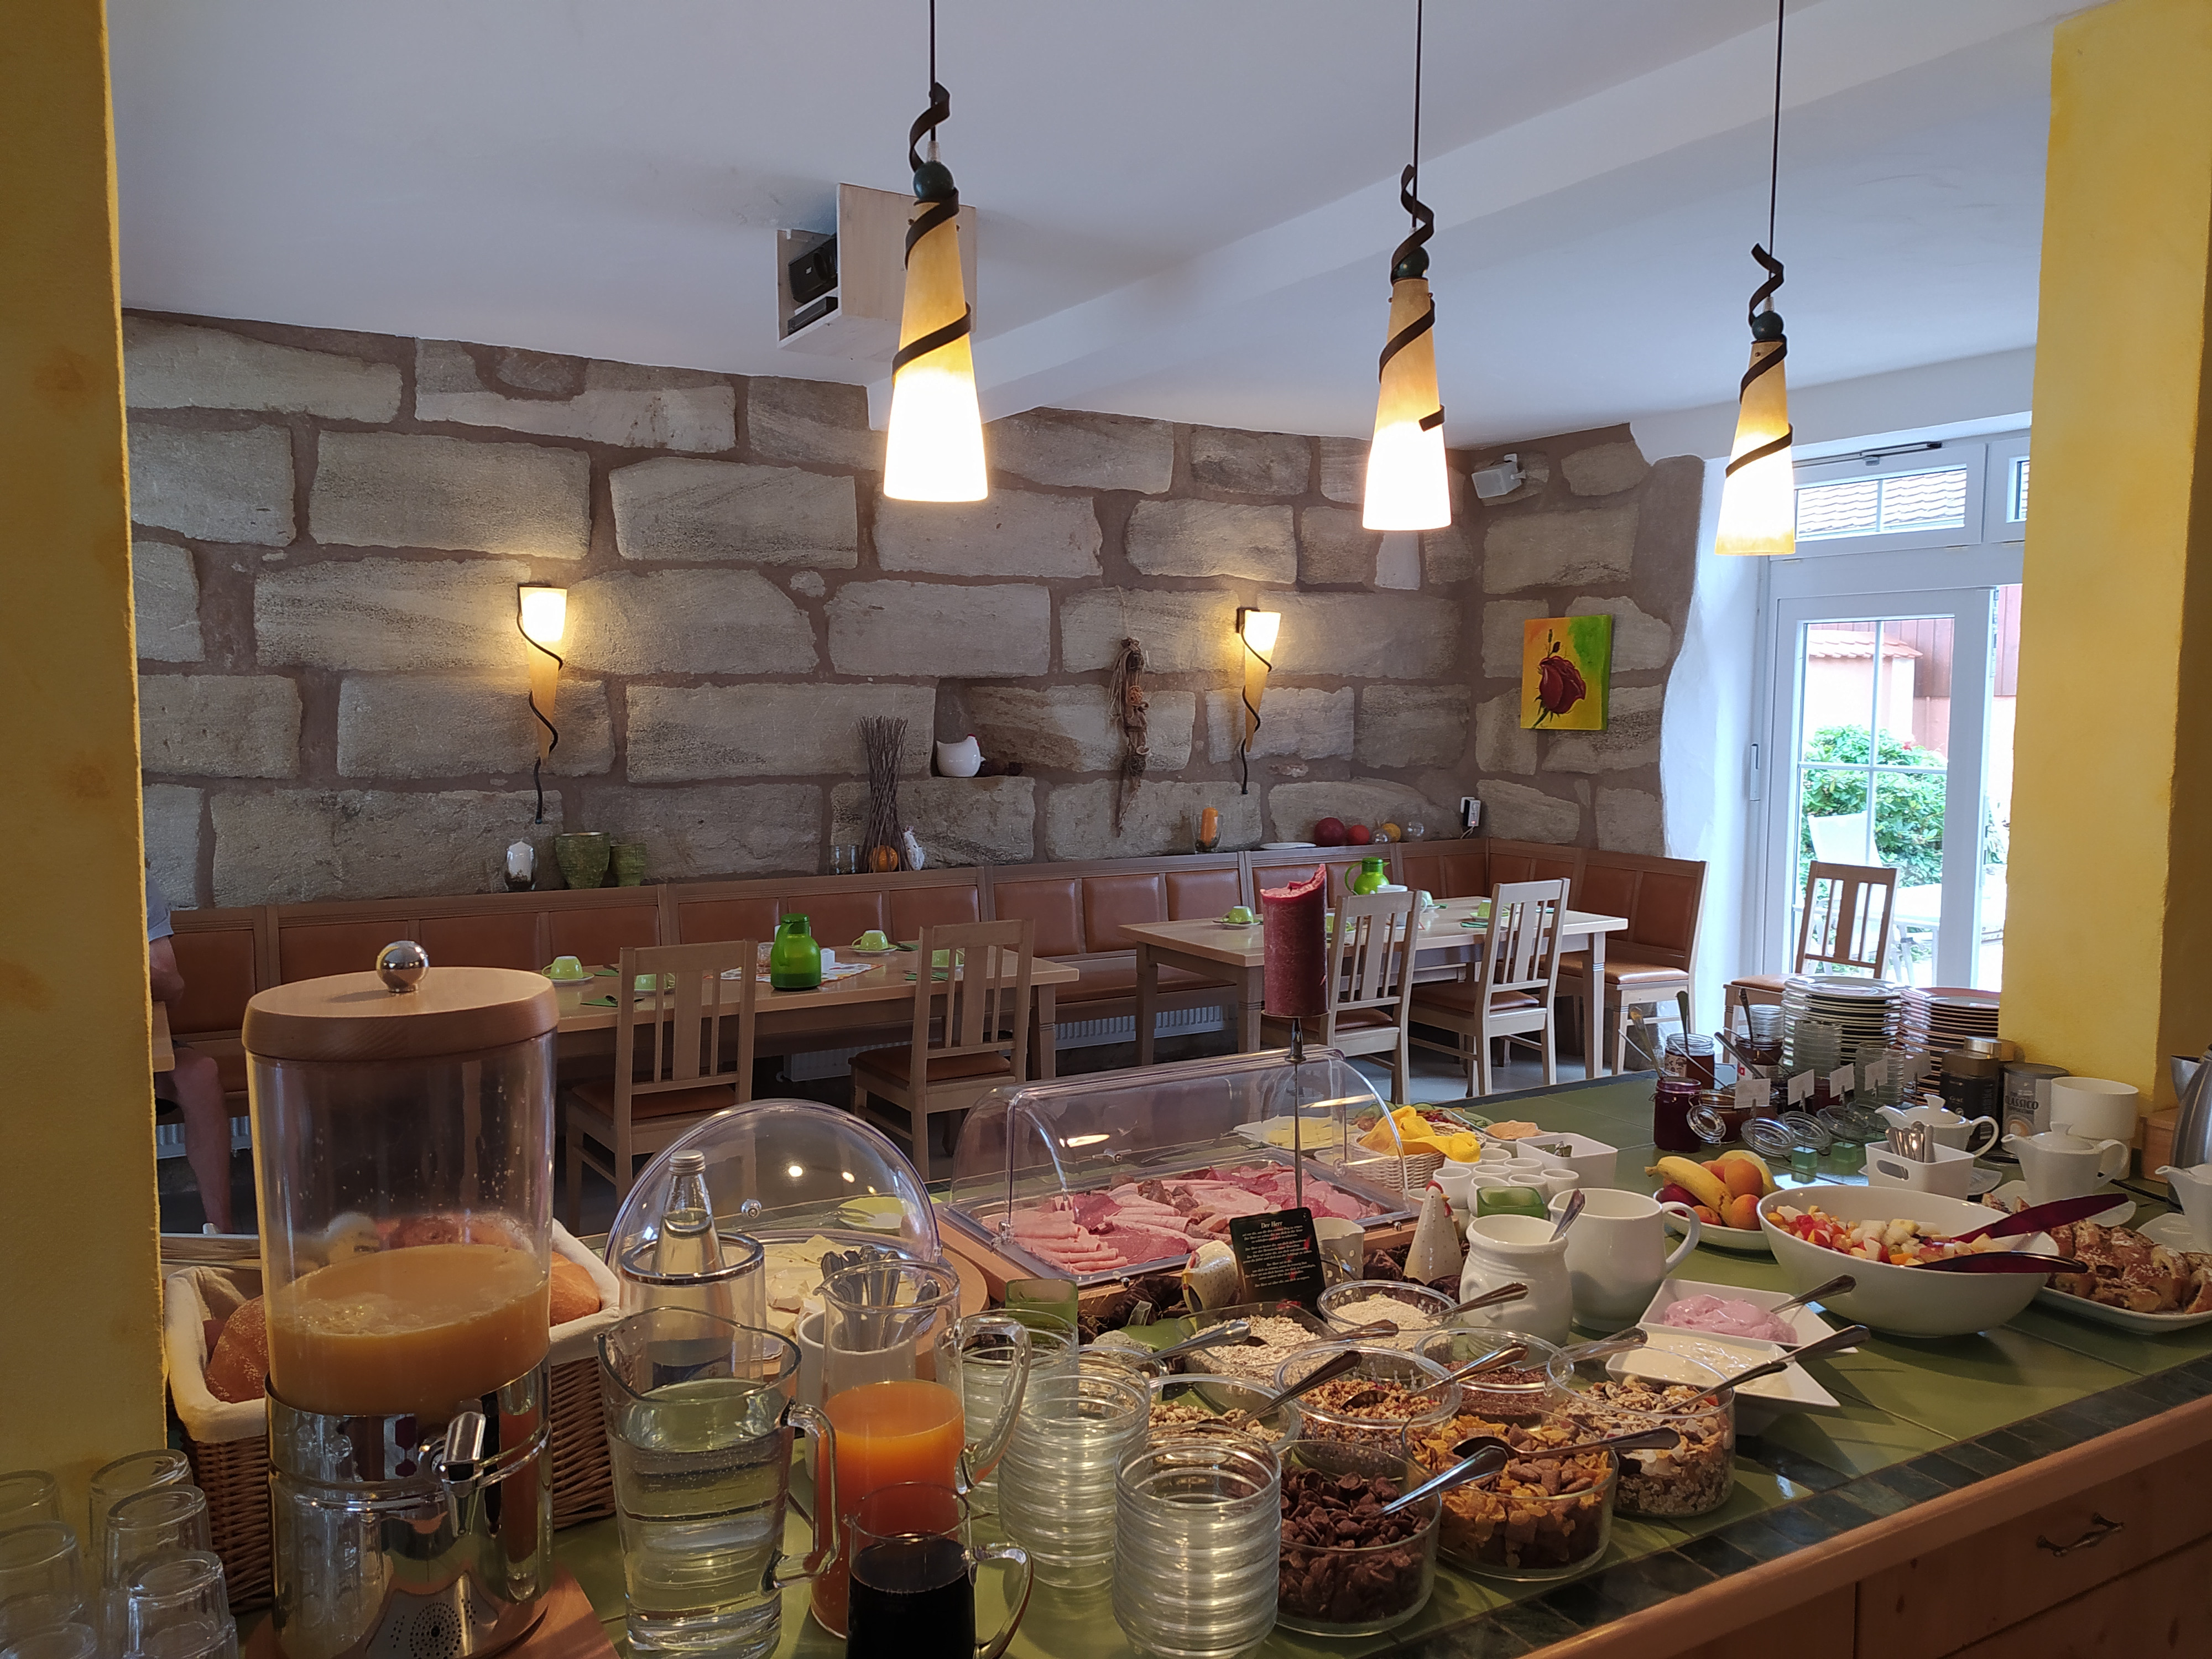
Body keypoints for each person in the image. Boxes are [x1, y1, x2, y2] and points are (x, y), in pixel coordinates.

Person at [149, 872, 236, 1233]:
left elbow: (173, 987)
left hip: (141, 1044)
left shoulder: (136, 882)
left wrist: (114, 967)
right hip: (61, 1049)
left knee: (200, 1072)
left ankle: (221, 1234)